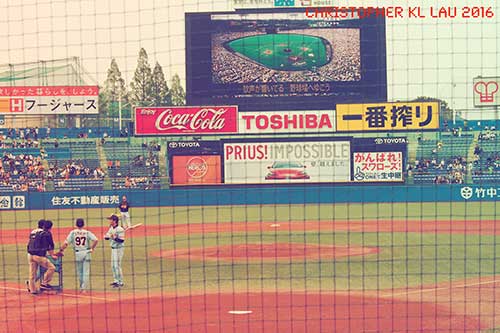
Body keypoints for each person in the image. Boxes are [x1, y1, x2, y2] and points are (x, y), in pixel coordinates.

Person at [58, 218, 98, 293]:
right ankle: (84, 288)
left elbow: (66, 243)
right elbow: (96, 240)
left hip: (78, 253)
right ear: (83, 224)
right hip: (86, 252)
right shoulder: (86, 232)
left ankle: (81, 287)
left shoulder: (73, 232)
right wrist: (92, 248)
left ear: (76, 224)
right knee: (86, 271)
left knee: (80, 272)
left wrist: (61, 250)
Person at [27, 220, 58, 294]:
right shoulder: (45, 233)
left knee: (32, 274)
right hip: (38, 256)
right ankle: (44, 283)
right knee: (52, 268)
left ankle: (33, 291)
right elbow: (50, 246)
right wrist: (52, 255)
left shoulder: (33, 231)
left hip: (29, 255)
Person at [104, 214, 125, 288]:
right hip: (113, 249)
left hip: (119, 249)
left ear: (114, 221)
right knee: (113, 266)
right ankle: (116, 280)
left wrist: (114, 238)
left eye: (110, 219)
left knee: (117, 266)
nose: (109, 221)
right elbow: (106, 237)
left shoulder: (120, 229)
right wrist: (107, 236)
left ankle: (121, 282)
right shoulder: (111, 228)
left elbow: (121, 240)